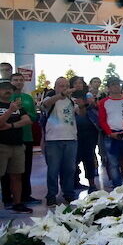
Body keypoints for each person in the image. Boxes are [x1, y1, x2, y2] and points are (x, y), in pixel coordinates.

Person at [40, 77, 79, 206]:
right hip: (53, 140)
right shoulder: (49, 99)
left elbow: (81, 113)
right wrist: (61, 95)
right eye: (61, 86)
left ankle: (68, 193)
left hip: (71, 139)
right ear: (56, 87)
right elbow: (45, 105)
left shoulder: (72, 101)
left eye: (66, 86)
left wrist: (85, 103)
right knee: (53, 169)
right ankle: (51, 196)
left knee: (69, 169)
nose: (64, 88)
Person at [1, 73, 38, 207]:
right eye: (15, 80)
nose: (18, 82)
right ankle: (6, 198)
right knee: (4, 174)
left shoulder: (26, 98)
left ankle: (23, 198)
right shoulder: (8, 101)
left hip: (23, 139)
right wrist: (12, 113)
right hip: (4, 142)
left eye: (21, 80)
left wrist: (12, 123)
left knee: (22, 171)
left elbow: (30, 118)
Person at [73, 90, 99, 192]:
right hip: (75, 138)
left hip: (89, 138)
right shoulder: (71, 108)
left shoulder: (92, 109)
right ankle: (75, 182)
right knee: (74, 162)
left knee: (89, 161)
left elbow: (97, 122)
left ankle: (92, 184)